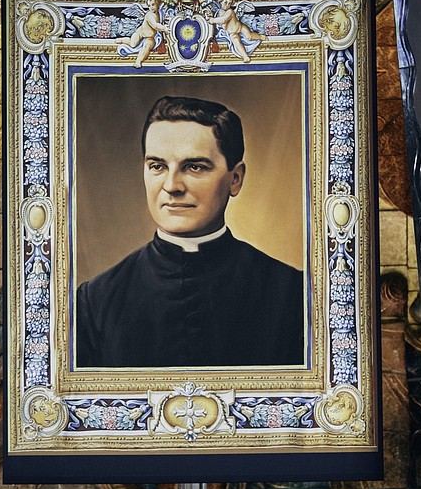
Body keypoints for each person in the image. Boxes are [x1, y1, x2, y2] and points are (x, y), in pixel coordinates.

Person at [76, 96, 305, 367]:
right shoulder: (96, 301)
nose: (172, 185)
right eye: (157, 166)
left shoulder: (292, 294)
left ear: (236, 179)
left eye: (194, 167)